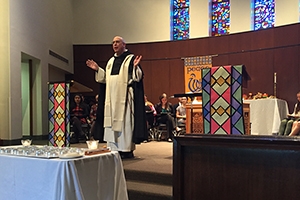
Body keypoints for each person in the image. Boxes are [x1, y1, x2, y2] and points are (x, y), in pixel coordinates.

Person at [86, 36, 147, 159]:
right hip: (111, 97)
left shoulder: (130, 59)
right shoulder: (110, 61)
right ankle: (114, 148)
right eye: (113, 42)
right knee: (110, 123)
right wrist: (98, 69)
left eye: (117, 42)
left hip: (124, 97)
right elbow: (105, 79)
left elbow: (137, 77)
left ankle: (126, 149)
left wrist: (135, 67)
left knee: (126, 123)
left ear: (124, 44)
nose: (115, 44)